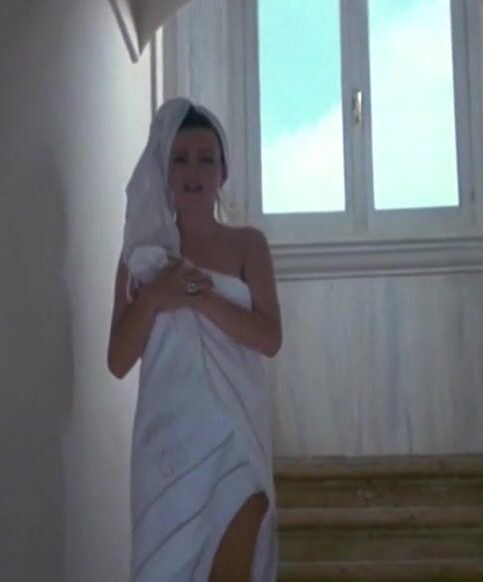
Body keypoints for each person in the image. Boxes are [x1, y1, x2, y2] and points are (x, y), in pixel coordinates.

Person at [108, 98, 283, 582]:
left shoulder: (248, 245)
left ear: (223, 172)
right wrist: (155, 295)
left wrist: (197, 296)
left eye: (206, 158)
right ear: (164, 172)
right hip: (168, 442)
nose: (193, 170)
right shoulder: (141, 257)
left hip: (234, 432)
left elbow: (269, 337)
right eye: (180, 159)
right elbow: (118, 360)